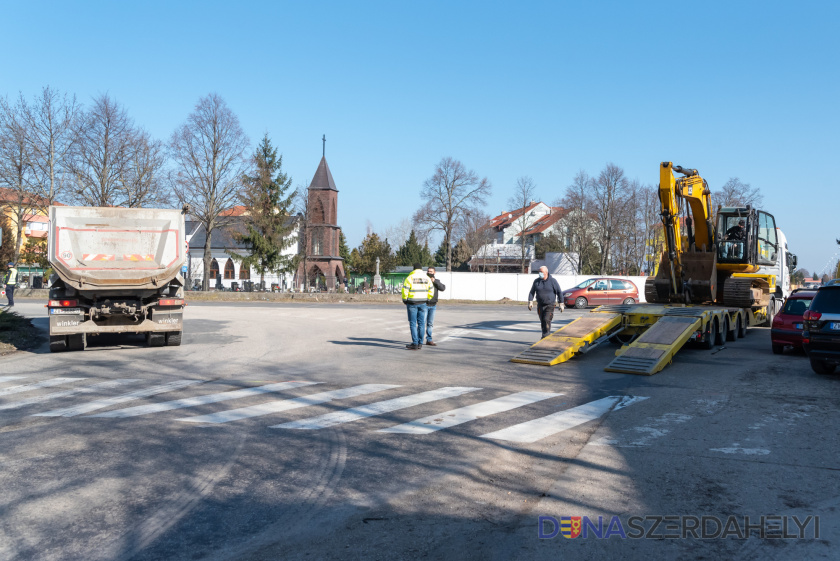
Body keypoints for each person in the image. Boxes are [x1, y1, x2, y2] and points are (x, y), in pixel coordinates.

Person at [401, 262, 434, 350]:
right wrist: (428, 298)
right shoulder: (427, 278)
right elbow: (431, 290)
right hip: (423, 303)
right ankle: (420, 343)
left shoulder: (410, 277)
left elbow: (405, 290)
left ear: (414, 269)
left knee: (412, 323)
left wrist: (405, 299)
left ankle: (415, 343)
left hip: (412, 303)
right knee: (421, 323)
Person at [527, 266, 563, 339]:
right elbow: (531, 292)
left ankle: (545, 336)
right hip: (540, 305)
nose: (539, 273)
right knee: (543, 321)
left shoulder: (553, 281)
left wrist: (561, 303)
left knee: (546, 320)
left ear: (546, 273)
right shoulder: (536, 281)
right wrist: (530, 301)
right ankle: (546, 334)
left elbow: (559, 292)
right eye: (539, 272)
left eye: (541, 272)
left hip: (550, 305)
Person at [424, 266, 446, 347]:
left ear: (434, 273)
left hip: (433, 305)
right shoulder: (424, 280)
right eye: (428, 271)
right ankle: (419, 340)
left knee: (430, 324)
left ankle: (429, 340)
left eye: (431, 271)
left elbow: (443, 288)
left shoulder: (436, 281)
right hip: (424, 304)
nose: (429, 273)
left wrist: (435, 282)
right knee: (422, 323)